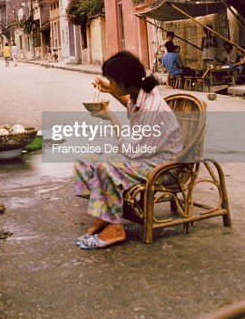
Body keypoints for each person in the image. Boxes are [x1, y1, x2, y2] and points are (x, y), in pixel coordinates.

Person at [73, 51, 183, 249]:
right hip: (145, 154)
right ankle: (106, 212)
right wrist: (111, 90)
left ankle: (115, 227)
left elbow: (132, 150)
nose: (109, 83)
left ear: (124, 82)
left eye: (112, 80)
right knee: (85, 161)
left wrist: (110, 117)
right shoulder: (138, 93)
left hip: (163, 165)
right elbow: (130, 104)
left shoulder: (153, 108)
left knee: (107, 166)